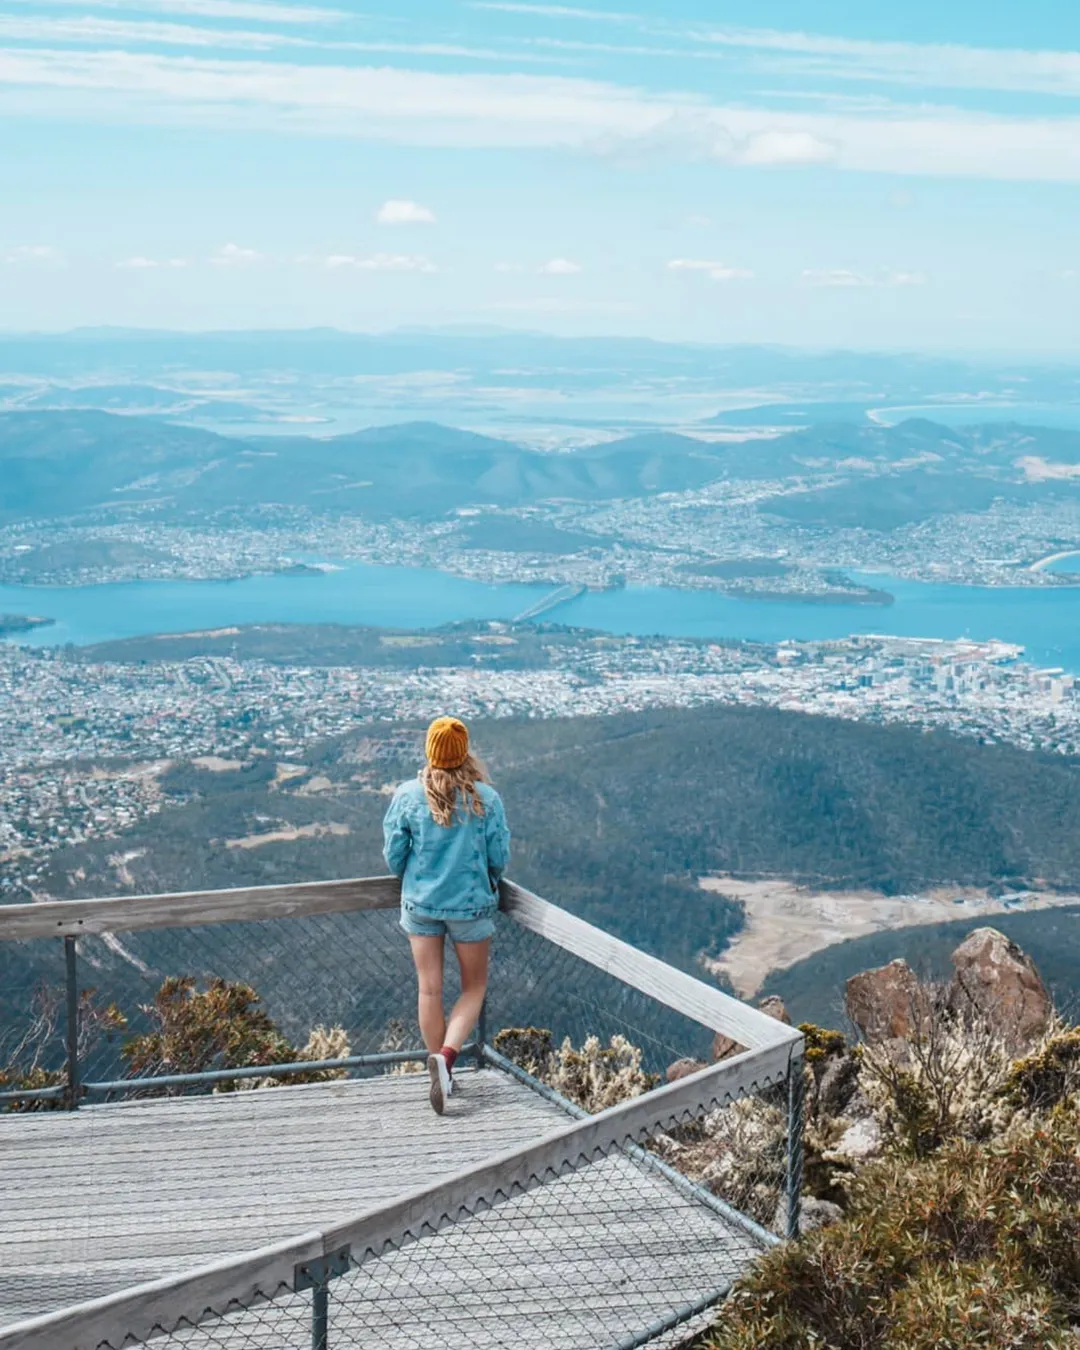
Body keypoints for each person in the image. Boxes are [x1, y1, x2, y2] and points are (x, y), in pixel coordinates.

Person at [383, 716, 511, 1115]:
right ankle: (448, 1058)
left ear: (430, 752)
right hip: (470, 905)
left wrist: (418, 877)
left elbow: (393, 857)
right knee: (473, 988)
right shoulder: (486, 799)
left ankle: (439, 1071)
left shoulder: (407, 795)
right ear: (464, 752)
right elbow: (499, 858)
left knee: (429, 990)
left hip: (420, 904)